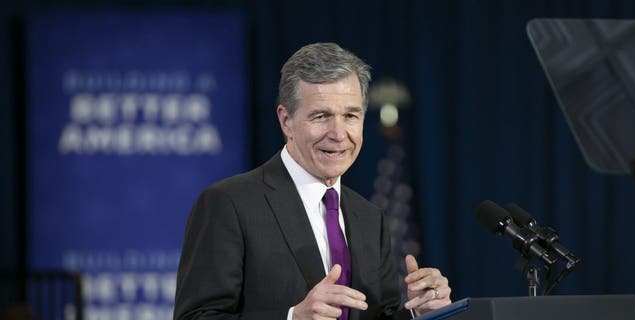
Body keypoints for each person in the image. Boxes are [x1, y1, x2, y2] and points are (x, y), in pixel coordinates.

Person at [173, 42, 452, 320]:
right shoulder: (229, 204)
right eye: (321, 116)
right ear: (286, 121)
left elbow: (381, 316)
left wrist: (419, 312)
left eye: (351, 116)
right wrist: (293, 318)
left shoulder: (369, 217)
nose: (339, 133)